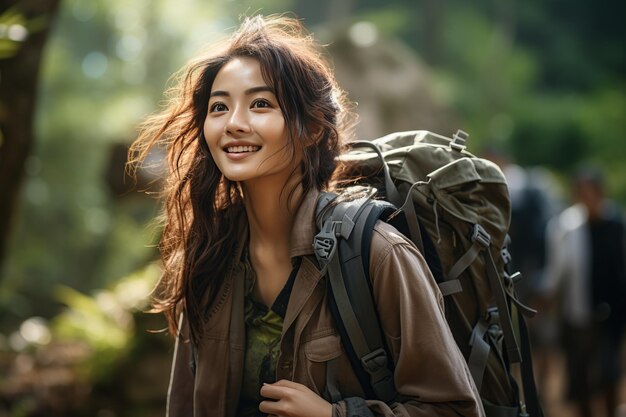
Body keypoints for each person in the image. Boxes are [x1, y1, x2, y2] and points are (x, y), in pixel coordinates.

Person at [129, 15, 484, 417]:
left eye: (260, 104)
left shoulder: (377, 254)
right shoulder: (210, 254)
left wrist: (336, 415)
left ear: (312, 128)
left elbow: (457, 409)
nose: (234, 123)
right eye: (219, 107)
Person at [541, 167, 626, 417]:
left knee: (609, 372)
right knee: (579, 375)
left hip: (613, 313)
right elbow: (555, 272)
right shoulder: (565, 227)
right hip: (577, 314)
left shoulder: (618, 224)